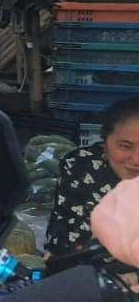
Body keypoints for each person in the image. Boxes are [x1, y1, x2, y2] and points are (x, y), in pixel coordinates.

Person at [48, 98, 139, 256]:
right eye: (125, 146)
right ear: (105, 141)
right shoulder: (80, 166)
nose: (136, 159)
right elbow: (63, 243)